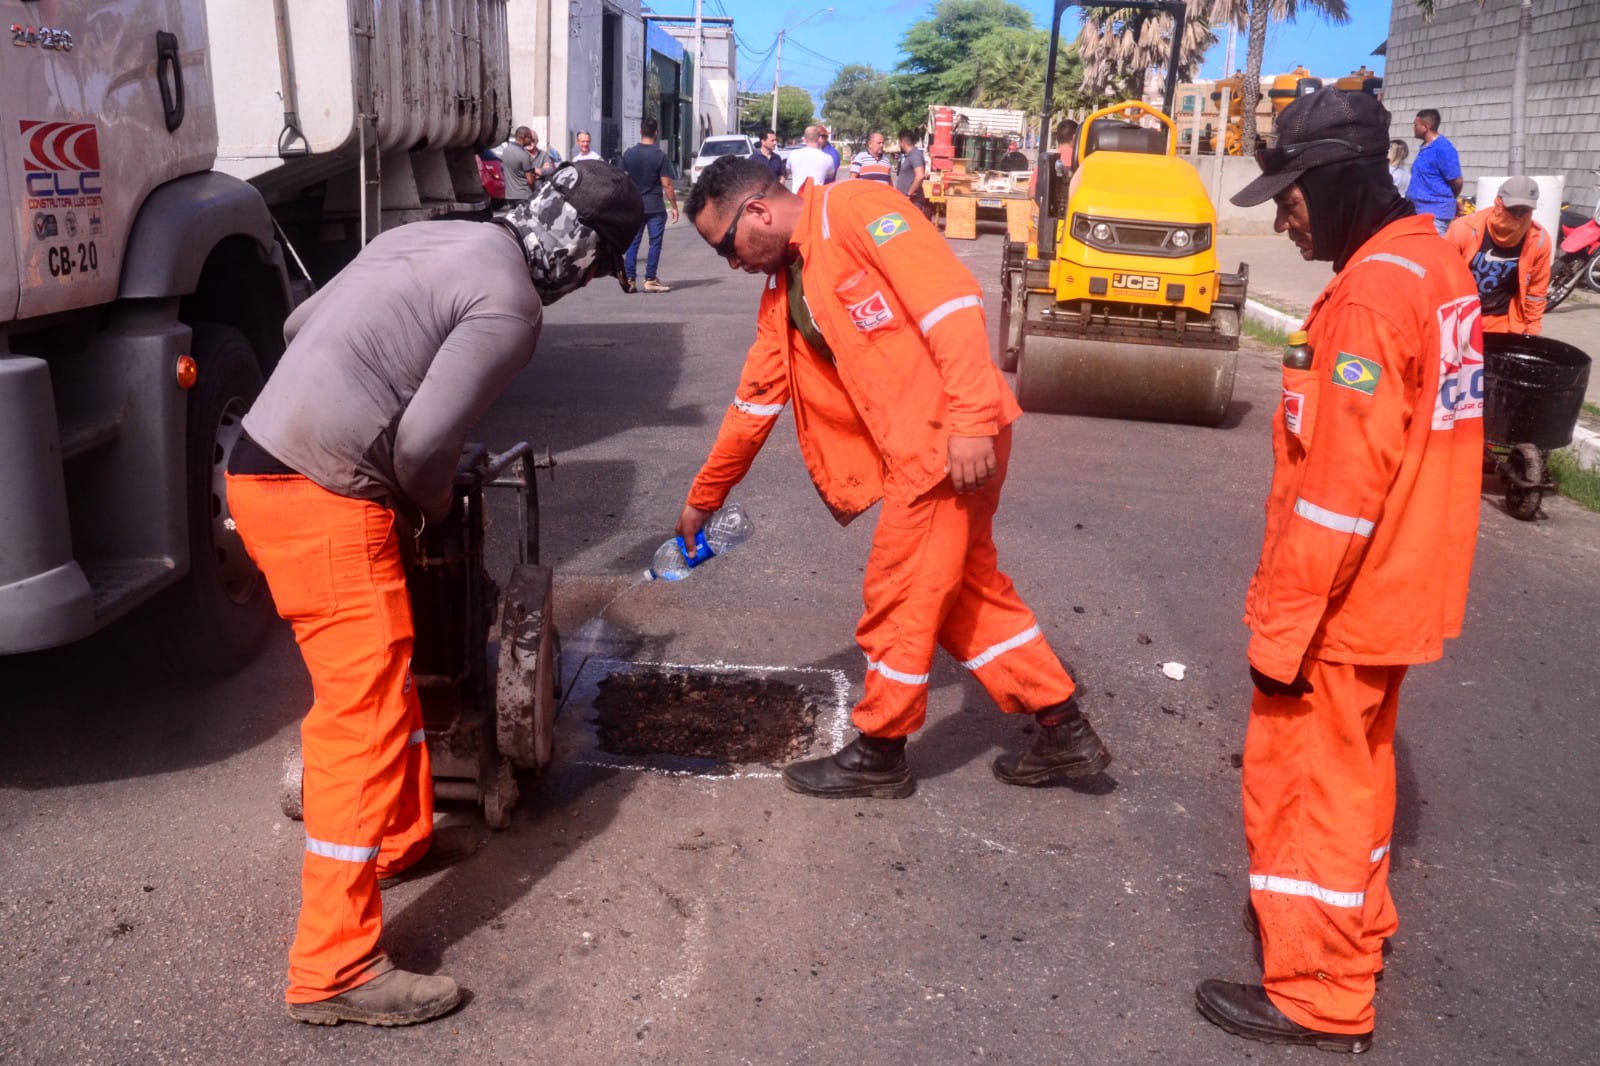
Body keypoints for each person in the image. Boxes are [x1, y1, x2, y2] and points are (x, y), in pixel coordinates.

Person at [226, 162, 643, 1028]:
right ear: (582, 256)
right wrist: (432, 500)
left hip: (266, 461)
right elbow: (420, 448)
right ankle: (333, 969)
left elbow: (305, 322)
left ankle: (399, 838)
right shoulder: (513, 304)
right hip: (323, 494)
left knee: (394, 673)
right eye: (598, 269)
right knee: (361, 718)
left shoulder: (426, 234)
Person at [678, 156, 1112, 799]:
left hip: (945, 441)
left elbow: (950, 303)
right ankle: (1063, 727)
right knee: (964, 593)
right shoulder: (783, 291)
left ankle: (881, 751)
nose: (732, 264)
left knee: (900, 592)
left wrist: (969, 420)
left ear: (759, 211)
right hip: (926, 447)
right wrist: (703, 499)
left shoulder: (856, 212)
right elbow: (755, 402)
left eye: (727, 247)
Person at [1199, 88, 1483, 1053]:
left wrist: (1282, 631)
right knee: (1358, 777)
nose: (1284, 217)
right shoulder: (1435, 263)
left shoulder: (1371, 292)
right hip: (1407, 580)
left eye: (1291, 195)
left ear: (1341, 179)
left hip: (1343, 600)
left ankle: (1320, 992)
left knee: (1307, 783)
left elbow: (1339, 491)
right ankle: (1353, 930)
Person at [1445, 175, 1551, 336]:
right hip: (1461, 317)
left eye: (1524, 211)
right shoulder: (1463, 229)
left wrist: (1532, 330)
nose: (1517, 216)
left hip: (1503, 322)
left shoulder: (1539, 240)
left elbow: (1536, 291)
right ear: (1498, 203)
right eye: (1512, 209)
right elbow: (1440, 279)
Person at [620, 117, 679, 293]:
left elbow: (622, 180)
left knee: (633, 242)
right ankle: (650, 279)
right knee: (655, 243)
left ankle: (630, 279)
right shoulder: (660, 156)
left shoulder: (629, 154)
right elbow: (667, 184)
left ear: (640, 131)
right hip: (655, 206)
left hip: (634, 206)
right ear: (656, 133)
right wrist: (674, 206)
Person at [1408, 108, 1463, 236]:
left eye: (1415, 125)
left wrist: (1449, 199)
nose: (1413, 128)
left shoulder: (1443, 148)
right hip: (1418, 211)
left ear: (1425, 126)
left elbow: (1457, 181)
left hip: (1435, 214)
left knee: (1429, 251)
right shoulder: (1425, 147)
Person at [785, 124, 837, 192]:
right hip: (816, 199)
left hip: (797, 198)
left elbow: (788, 170)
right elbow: (830, 175)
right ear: (818, 139)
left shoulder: (793, 154)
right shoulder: (827, 158)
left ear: (804, 139)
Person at [895, 129, 933, 220]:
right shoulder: (911, 155)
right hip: (907, 202)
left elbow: (920, 176)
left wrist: (909, 194)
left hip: (912, 202)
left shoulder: (915, 155)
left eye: (899, 142)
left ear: (903, 142)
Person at [500, 126, 537, 203]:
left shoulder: (506, 151)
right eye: (530, 138)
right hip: (524, 195)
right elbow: (530, 180)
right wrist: (535, 191)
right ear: (524, 137)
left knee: (512, 214)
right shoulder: (524, 155)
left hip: (509, 196)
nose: (532, 140)